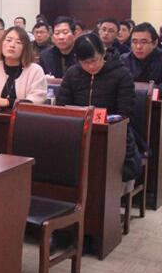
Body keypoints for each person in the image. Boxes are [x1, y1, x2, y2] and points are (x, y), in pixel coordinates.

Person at [57, 33, 140, 182]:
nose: (90, 66)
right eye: (84, 62)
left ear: (103, 53)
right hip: (77, 132)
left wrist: (105, 120)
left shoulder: (121, 74)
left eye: (94, 60)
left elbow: (126, 112)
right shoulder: (72, 74)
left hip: (112, 134)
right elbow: (62, 107)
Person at [0, 27, 47, 110]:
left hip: (22, 117)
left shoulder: (35, 70)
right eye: (8, 40)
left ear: (25, 48)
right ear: (2, 43)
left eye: (18, 42)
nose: (12, 45)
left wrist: (8, 102)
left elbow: (37, 100)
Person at [121, 22, 162, 99]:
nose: (138, 47)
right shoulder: (124, 59)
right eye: (134, 42)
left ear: (154, 43)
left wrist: (146, 89)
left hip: (157, 103)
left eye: (143, 42)